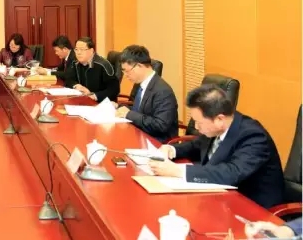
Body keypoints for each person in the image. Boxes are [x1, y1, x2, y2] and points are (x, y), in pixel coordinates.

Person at [151, 84, 285, 209]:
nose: (196, 127)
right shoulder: (218, 127)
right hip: (219, 198)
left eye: (199, 123)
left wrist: (178, 171)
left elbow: (232, 173)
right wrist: (171, 149)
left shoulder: (253, 136)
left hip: (252, 208)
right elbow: (196, 145)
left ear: (219, 119)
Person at [114, 45, 178, 142]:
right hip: (140, 134)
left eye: (127, 71)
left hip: (156, 142)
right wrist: (119, 107)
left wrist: (129, 114)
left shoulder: (162, 91)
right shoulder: (143, 84)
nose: (125, 76)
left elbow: (160, 125)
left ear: (139, 66)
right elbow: (140, 110)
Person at [64, 37, 120, 101]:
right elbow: (68, 79)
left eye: (82, 49)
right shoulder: (75, 63)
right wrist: (77, 86)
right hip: (83, 100)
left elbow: (114, 90)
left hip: (101, 102)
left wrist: (94, 96)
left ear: (91, 51)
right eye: (76, 49)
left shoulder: (103, 65)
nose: (78, 53)